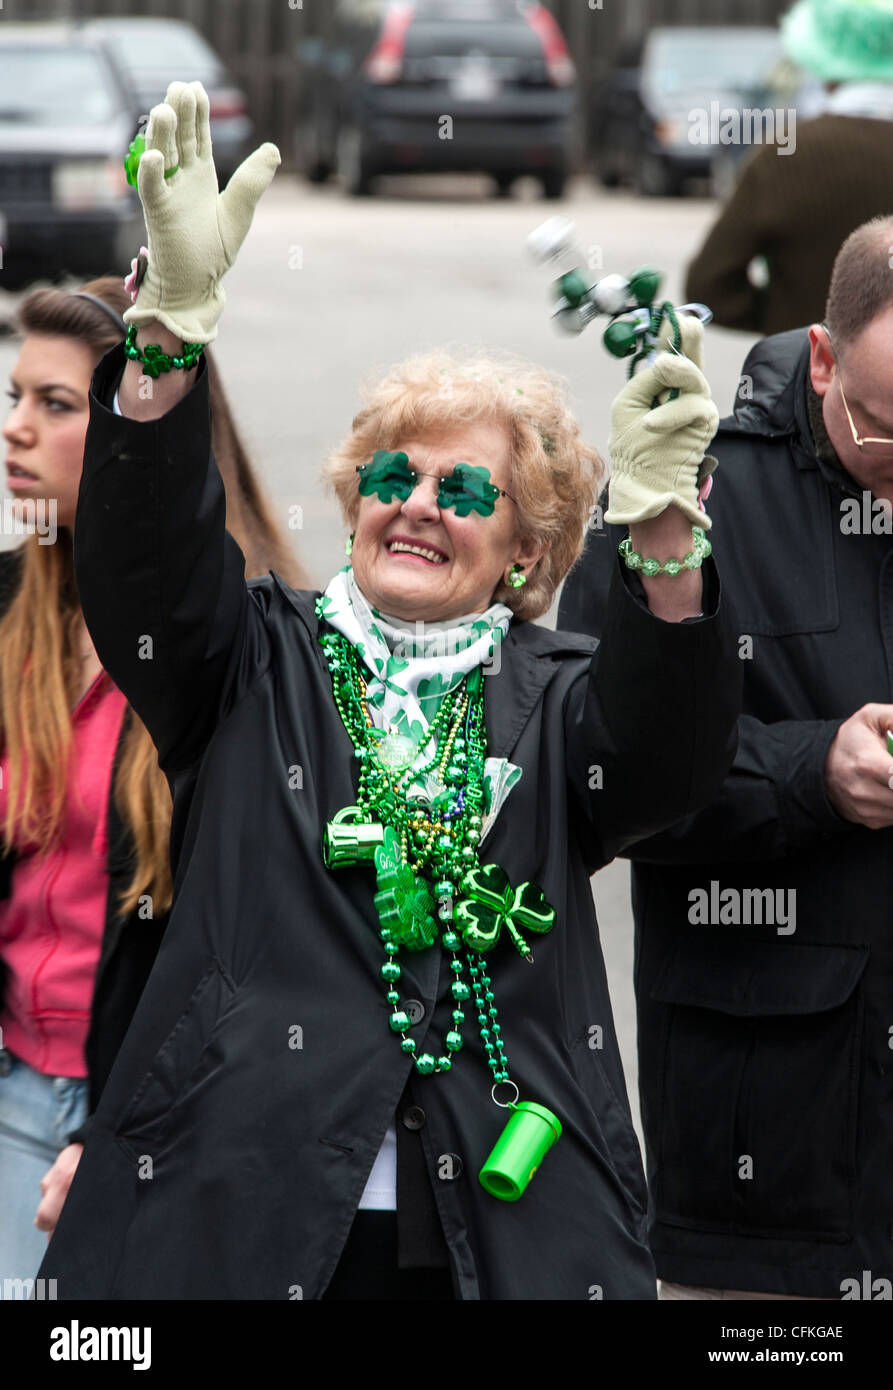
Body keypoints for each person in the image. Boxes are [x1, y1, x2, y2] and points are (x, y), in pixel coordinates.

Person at [37, 80, 740, 1300]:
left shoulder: (563, 691)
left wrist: (667, 537)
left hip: (495, 1224)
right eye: (389, 476)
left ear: (524, 550)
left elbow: (667, 758)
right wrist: (160, 347)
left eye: (464, 493)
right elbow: (145, 566)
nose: (416, 504)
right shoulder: (254, 654)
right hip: (244, 1202)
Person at [559, 213, 893, 1299]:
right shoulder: (686, 489)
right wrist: (813, 771)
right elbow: (597, 770)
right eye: (882, 430)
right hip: (765, 1173)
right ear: (818, 356)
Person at [0, 273, 308, 1286]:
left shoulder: (246, 641)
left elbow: (253, 941)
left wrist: (130, 1121)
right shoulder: (11, 607)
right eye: (15, 397)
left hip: (150, 1113)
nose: (16, 429)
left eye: (55, 404)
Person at [685, 0, 893, 336]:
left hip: (805, 375)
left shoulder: (784, 154)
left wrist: (787, 322)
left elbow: (709, 285)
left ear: (822, 60)